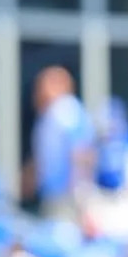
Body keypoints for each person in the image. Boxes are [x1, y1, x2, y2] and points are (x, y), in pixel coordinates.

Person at [28, 66, 96, 218]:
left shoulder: (66, 110)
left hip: (68, 197)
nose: (38, 92)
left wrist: (81, 191)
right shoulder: (49, 114)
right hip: (54, 194)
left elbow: (82, 151)